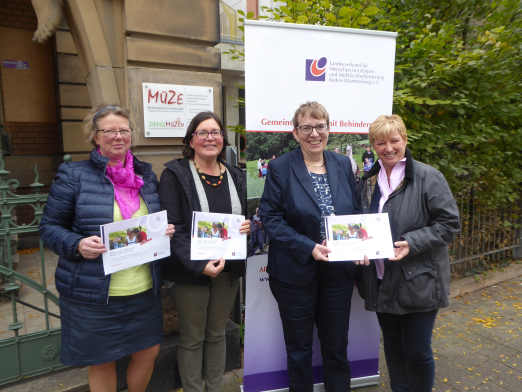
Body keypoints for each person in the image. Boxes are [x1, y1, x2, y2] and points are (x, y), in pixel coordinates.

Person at [39, 104, 175, 392]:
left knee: (148, 352)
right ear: (95, 137)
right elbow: (49, 228)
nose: (118, 136)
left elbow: (151, 223)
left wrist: (164, 231)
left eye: (123, 130)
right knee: (102, 360)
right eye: (109, 131)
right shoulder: (74, 175)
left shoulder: (146, 177)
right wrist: (77, 244)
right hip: (95, 293)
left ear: (131, 135)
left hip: (142, 289)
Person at [259, 101, 367, 392]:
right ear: (295, 133)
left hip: (338, 273)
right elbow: (270, 218)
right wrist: (308, 246)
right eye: (306, 127)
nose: (314, 133)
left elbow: (356, 211)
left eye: (320, 126)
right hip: (295, 274)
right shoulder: (281, 168)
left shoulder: (343, 164)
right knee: (299, 349)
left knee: (336, 347)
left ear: (329, 130)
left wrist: (360, 245)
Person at [359, 114, 460, 392]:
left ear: (404, 140)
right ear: (373, 145)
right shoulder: (368, 181)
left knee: (417, 352)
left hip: (420, 281)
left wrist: (412, 242)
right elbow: (362, 224)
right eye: (380, 142)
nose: (388, 148)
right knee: (392, 349)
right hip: (381, 280)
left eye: (394, 140)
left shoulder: (428, 177)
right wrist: (360, 248)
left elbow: (449, 224)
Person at [159, 111, 250, 392]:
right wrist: (199, 265)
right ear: (191, 140)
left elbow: (242, 218)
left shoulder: (235, 175)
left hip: (227, 269)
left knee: (218, 333)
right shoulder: (175, 174)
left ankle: (215, 387)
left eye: (216, 132)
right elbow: (173, 226)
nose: (211, 138)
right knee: (193, 337)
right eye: (203, 132)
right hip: (192, 271)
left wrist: (246, 227)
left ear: (223, 139)